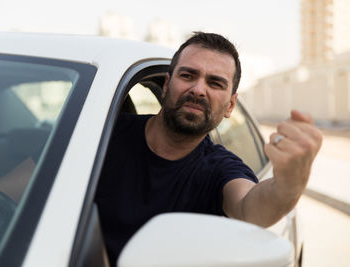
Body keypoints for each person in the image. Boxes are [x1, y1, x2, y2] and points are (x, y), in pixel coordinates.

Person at [95, 32, 322, 266]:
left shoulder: (221, 169)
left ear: (230, 105)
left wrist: (289, 185)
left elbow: (250, 208)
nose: (198, 89)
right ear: (166, 85)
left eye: (215, 83)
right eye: (187, 75)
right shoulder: (100, 136)